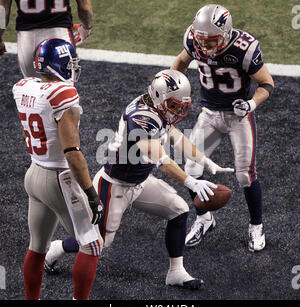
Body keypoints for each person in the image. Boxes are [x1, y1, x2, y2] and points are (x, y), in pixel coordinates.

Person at [44, 69, 234, 289]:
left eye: (180, 105)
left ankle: (176, 272)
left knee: (179, 210)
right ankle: (58, 248)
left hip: (140, 181)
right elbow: (161, 160)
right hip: (114, 184)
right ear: (158, 97)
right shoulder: (141, 117)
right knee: (99, 242)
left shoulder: (158, 109)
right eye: (173, 105)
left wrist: (205, 161)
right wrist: (191, 182)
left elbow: (175, 136)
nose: (177, 110)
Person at [171, 4, 274, 251]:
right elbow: (180, 63)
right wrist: (175, 89)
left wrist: (250, 103)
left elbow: (267, 83)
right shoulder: (193, 38)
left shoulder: (245, 48)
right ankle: (204, 218)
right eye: (202, 41)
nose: (205, 47)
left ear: (226, 34)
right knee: (191, 168)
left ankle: (256, 226)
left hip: (238, 116)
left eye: (211, 41)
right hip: (209, 114)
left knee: (245, 175)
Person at [12, 38, 103, 300]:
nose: (73, 68)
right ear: (59, 65)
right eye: (69, 63)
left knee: (37, 247)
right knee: (92, 245)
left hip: (34, 173)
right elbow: (73, 154)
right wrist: (91, 194)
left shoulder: (23, 86)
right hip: (58, 179)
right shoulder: (63, 95)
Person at [0, 0, 92, 76]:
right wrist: (86, 27)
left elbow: (3, 11)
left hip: (27, 38)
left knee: (32, 91)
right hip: (60, 34)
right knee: (63, 91)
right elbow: (85, 8)